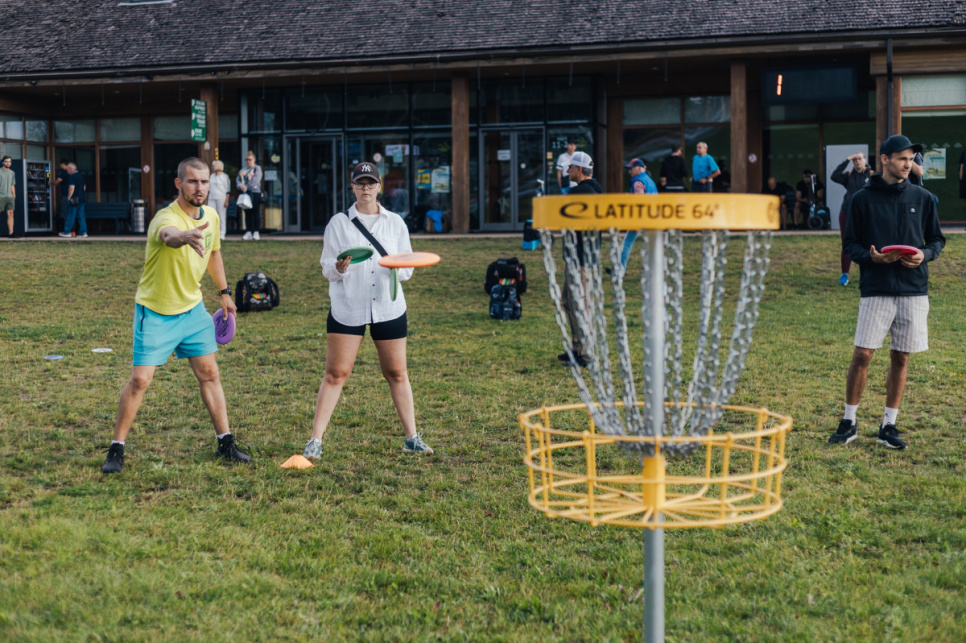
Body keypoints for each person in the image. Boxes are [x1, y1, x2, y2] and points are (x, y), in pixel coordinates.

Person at [101, 157, 251, 474]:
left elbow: (214, 252)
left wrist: (224, 292)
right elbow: (167, 236)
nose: (200, 188)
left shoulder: (211, 216)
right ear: (179, 183)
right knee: (140, 380)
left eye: (205, 181)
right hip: (156, 311)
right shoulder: (164, 217)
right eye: (193, 181)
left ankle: (225, 442)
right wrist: (182, 237)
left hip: (193, 309)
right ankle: (116, 448)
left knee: (209, 373)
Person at [302, 162, 433, 459]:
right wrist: (339, 268)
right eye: (360, 183)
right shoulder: (338, 223)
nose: (365, 188)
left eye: (370, 183)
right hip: (348, 306)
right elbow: (326, 267)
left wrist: (396, 266)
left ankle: (412, 438)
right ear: (352, 187)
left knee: (397, 373)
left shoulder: (395, 223)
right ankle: (315, 441)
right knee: (336, 373)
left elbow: (407, 269)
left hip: (388, 307)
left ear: (379, 186)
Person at [829, 135, 945, 451]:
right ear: (884, 159)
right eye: (902, 158)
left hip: (914, 289)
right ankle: (849, 421)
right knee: (863, 354)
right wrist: (872, 258)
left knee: (901, 356)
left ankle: (888, 426)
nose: (909, 164)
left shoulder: (923, 197)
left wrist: (925, 255)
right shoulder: (861, 199)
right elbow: (850, 244)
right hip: (876, 288)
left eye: (911, 159)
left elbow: (936, 240)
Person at [557, 151, 603, 368]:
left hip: (580, 258)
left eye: (570, 167)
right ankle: (577, 348)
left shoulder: (580, 193)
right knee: (568, 301)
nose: (567, 171)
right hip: (582, 256)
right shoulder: (595, 191)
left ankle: (587, 355)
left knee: (580, 304)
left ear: (579, 169)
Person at [830, 153, 873, 285]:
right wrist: (847, 160)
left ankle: (865, 274)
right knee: (847, 243)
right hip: (847, 212)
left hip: (865, 214)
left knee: (866, 243)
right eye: (854, 160)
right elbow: (834, 176)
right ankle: (845, 274)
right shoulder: (848, 175)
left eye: (859, 159)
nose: (857, 161)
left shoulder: (871, 175)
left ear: (865, 160)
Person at [618, 158, 658, 269]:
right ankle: (656, 271)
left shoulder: (638, 183)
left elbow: (639, 203)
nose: (629, 171)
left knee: (627, 243)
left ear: (638, 169)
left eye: (631, 169)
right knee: (652, 246)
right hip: (653, 217)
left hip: (641, 218)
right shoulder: (650, 181)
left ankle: (619, 271)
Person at [237, 150, 262, 240]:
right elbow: (238, 180)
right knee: (247, 213)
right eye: (246, 159)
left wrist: (246, 187)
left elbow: (256, 180)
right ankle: (248, 231)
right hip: (245, 194)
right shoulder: (243, 170)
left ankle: (256, 231)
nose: (248, 161)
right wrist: (240, 186)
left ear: (254, 159)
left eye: (249, 159)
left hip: (254, 193)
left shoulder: (257, 168)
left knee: (256, 212)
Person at [59, 162, 87, 238]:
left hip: (74, 199)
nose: (67, 171)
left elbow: (71, 188)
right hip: (82, 199)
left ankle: (67, 231)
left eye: (67, 169)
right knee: (81, 216)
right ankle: (83, 232)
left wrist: (69, 197)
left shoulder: (72, 176)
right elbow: (84, 188)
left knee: (70, 215)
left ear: (70, 169)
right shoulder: (80, 176)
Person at [208, 159, 230, 240]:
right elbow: (209, 189)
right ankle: (211, 232)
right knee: (210, 215)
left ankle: (222, 233)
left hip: (221, 198)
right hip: (211, 198)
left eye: (213, 166)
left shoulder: (225, 177)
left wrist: (226, 201)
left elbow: (228, 190)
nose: (211, 167)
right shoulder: (211, 176)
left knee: (221, 216)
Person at [51, 159, 69, 233]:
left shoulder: (63, 172)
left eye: (60, 165)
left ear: (63, 164)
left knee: (64, 212)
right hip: (72, 196)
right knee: (70, 213)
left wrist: (51, 183)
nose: (60, 166)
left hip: (65, 195)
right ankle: (71, 230)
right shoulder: (72, 172)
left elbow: (57, 182)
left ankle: (66, 230)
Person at [0, 155, 15, 238]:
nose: (8, 163)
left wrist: (14, 195)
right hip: (1, 196)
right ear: (3, 162)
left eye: (9, 161)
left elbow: (12, 185)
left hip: (10, 196)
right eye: (6, 161)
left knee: (11, 214)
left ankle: (11, 233)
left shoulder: (12, 173)